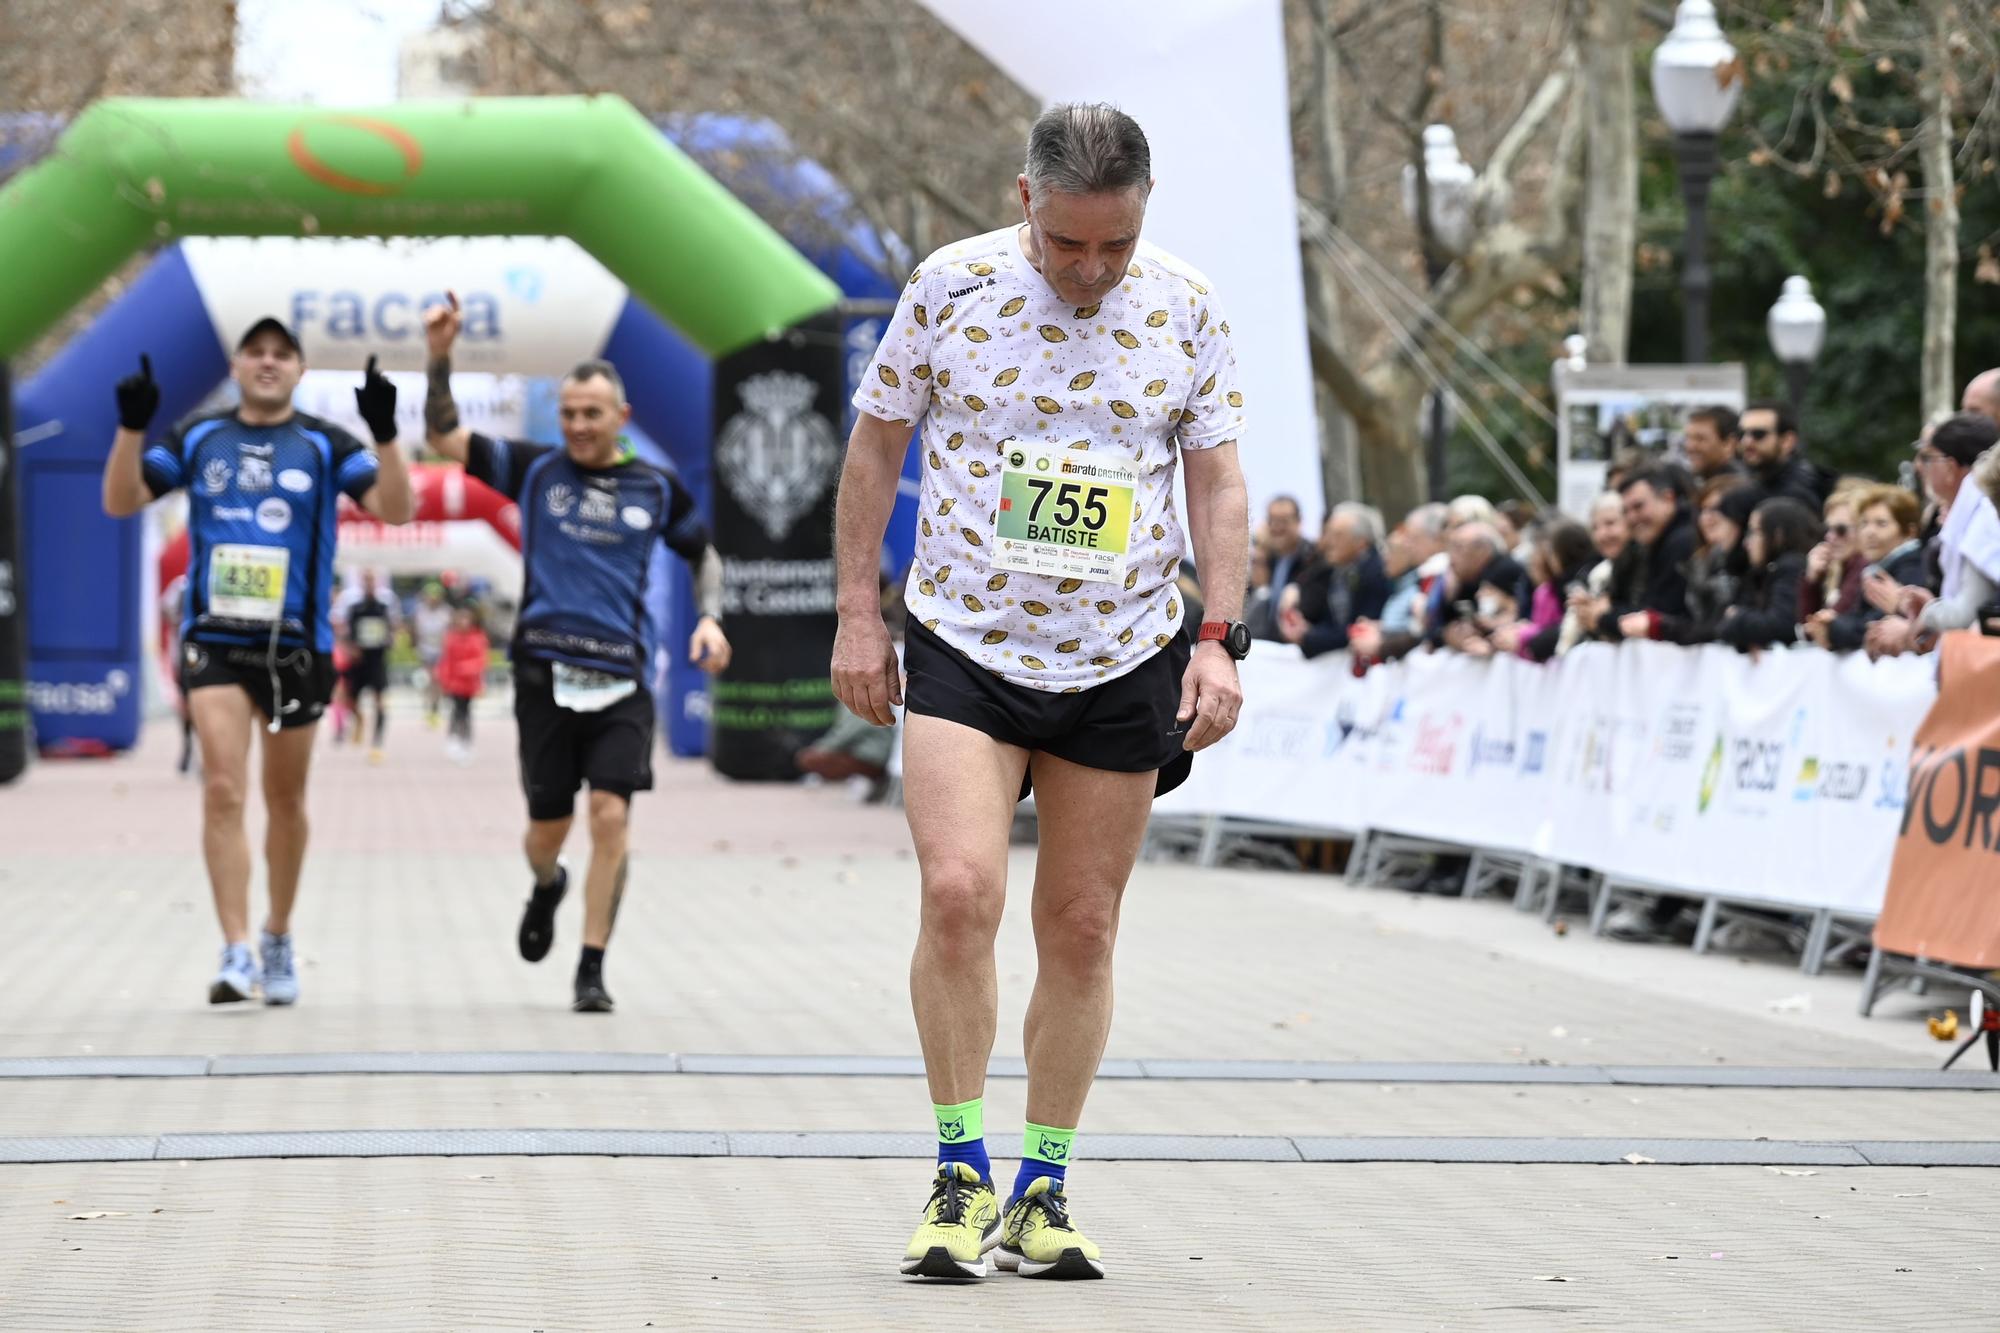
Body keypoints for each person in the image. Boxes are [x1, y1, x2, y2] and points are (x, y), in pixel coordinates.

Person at [833, 103, 1250, 1281]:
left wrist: (1217, 641)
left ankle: (1042, 1188)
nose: (1091, 270)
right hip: (964, 642)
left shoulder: (1185, 303)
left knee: (1082, 924)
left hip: (1121, 652)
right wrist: (860, 613)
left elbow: (1217, 486)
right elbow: (873, 450)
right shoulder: (948, 287)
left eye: (1113, 246)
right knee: (959, 891)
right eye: (1068, 244)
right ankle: (958, 1174)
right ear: (1025, 197)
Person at [422, 293, 732, 1014]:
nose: (578, 425)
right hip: (543, 671)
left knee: (611, 817)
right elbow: (442, 438)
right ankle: (546, 882)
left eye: (592, 413)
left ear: (621, 417)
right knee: (545, 830)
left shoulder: (654, 487)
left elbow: (703, 555)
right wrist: (440, 356)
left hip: (622, 674)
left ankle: (591, 965)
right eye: (568, 413)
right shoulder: (534, 470)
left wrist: (711, 619)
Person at [100, 324, 414, 1003]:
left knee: (285, 799)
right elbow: (121, 500)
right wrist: (132, 428)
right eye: (256, 352)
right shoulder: (199, 438)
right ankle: (235, 948)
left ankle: (276, 933)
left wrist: (384, 433)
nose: (268, 363)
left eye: (282, 354)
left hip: (296, 646)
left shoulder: (327, 443)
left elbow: (396, 507)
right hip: (215, 639)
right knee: (222, 788)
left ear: (300, 369)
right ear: (238, 365)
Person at [1889, 413, 2000, 653]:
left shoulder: (1982, 518)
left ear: (1950, 467)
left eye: (1928, 458)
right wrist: (1934, 605)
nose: (1920, 467)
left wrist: (1928, 615)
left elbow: (1967, 614)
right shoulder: (1971, 513)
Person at [1804, 484, 1925, 651]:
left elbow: (1875, 625)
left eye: (1881, 524)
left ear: (1909, 532)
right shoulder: (1877, 569)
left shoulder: (1912, 567)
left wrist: (1832, 628)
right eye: (1864, 523)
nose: (1869, 532)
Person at [1595, 467, 1696, 642]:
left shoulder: (1682, 543)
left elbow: (1660, 613)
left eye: (1638, 506)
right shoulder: (1654, 546)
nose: (1632, 518)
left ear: (1668, 499)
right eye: (1626, 511)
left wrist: (1605, 616)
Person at [1278, 503, 1389, 658]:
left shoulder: (1375, 573)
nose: (1329, 542)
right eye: (1328, 534)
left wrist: (1308, 636)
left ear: (1361, 542)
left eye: (1338, 535)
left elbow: (1357, 630)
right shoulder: (1336, 569)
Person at [1716, 497, 1820, 652]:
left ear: (1778, 535)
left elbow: (1781, 625)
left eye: (1754, 532)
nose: (1746, 542)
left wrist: (1737, 616)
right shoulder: (1764, 572)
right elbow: (1722, 628)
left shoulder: (1791, 567)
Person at [1501, 517, 1596, 662]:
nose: (1545, 558)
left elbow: (1555, 629)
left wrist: (1523, 635)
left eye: (1550, 552)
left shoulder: (1568, 587)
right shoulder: (1546, 590)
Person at [1680, 478, 1756, 643]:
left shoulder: (1750, 564)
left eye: (1717, 509)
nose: (1707, 518)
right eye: (1703, 510)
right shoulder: (1699, 561)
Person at [337, 567, 398, 761]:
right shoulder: (354, 608)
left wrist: (391, 639)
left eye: (372, 579)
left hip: (377, 661)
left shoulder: (384, 607)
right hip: (358, 662)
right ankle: (359, 720)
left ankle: (377, 743)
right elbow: (344, 634)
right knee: (349, 700)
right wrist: (350, 648)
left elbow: (393, 631)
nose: (369, 583)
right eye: (366, 579)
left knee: (380, 702)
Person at [1738, 401, 1831, 509]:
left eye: (1758, 434)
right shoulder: (1754, 482)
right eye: (1741, 434)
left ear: (1787, 441)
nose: (1746, 442)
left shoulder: (1801, 493)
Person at [437, 602, 489, 761]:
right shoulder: (451, 637)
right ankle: (454, 738)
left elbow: (481, 660)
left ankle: (466, 741)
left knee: (466, 712)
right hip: (454, 683)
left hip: (469, 684)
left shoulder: (478, 637)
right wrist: (445, 680)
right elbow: (446, 661)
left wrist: (466, 669)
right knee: (456, 710)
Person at [411, 582, 454, 728]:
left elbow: (450, 632)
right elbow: (416, 631)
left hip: (441, 651)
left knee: (437, 680)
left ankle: (435, 709)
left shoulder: (446, 612)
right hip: (425, 650)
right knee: (426, 680)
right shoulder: (420, 611)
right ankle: (427, 707)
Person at [1682, 405, 1745, 485]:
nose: (1690, 446)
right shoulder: (1699, 481)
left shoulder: (1738, 488)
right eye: (1688, 438)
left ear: (1728, 444)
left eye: (1700, 439)